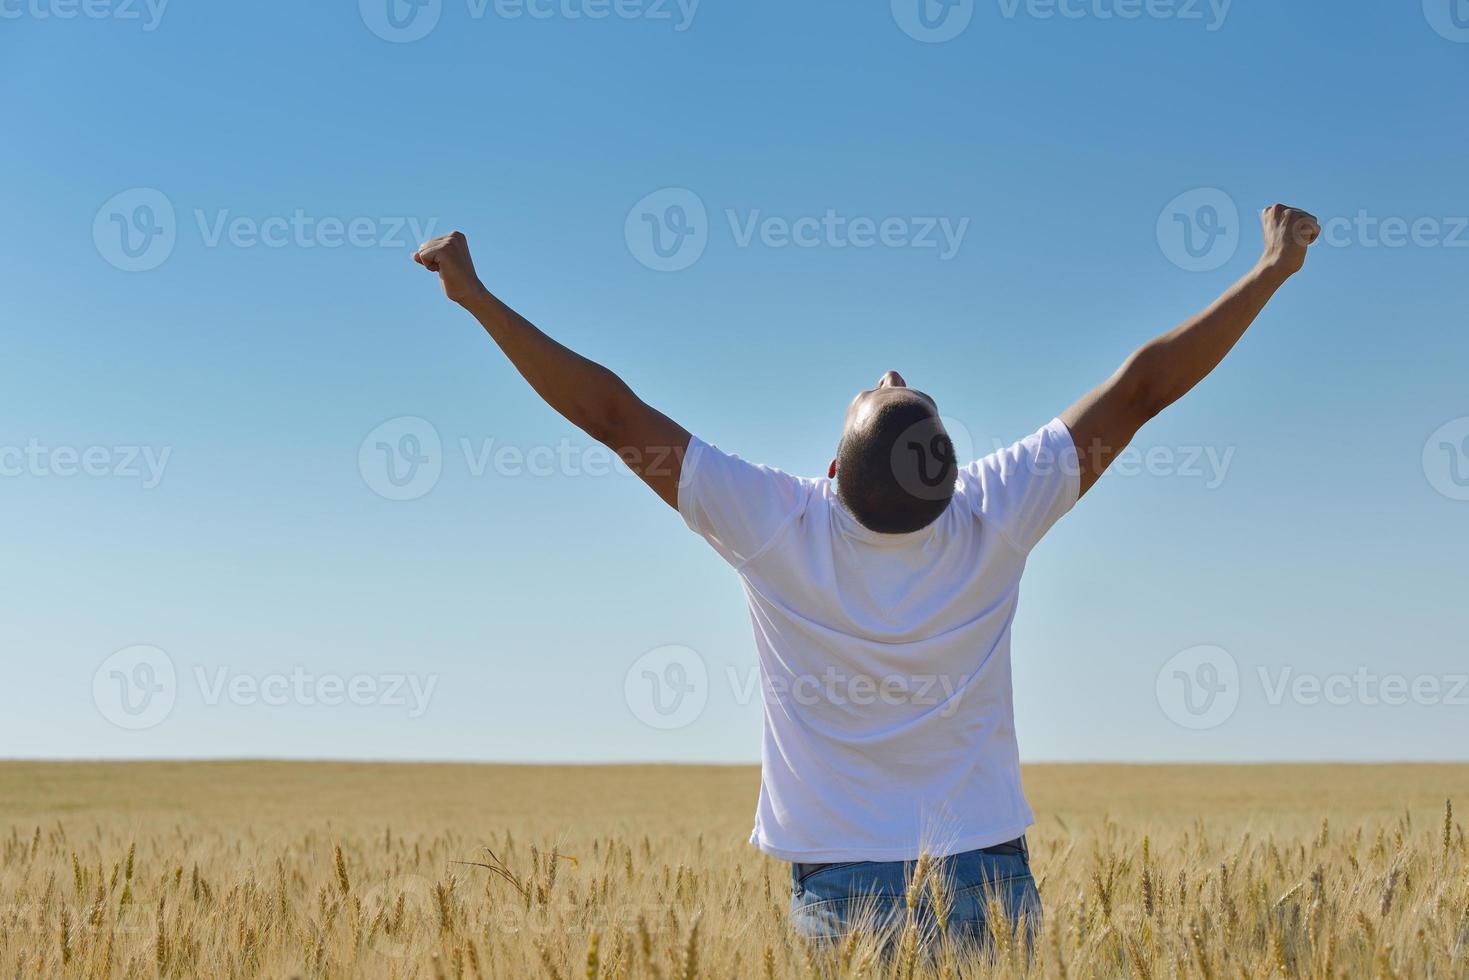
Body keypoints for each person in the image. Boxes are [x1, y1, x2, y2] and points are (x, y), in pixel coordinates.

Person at [412, 203, 1320, 946]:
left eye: (887, 392)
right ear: (951, 475)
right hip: (987, 883)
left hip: (842, 892)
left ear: (835, 474)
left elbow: (611, 414)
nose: (888, 371)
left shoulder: (778, 524)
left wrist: (477, 299)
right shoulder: (993, 516)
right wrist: (1270, 270)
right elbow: (1138, 390)